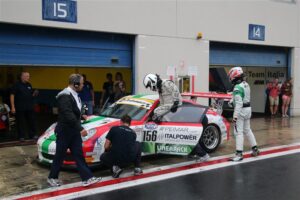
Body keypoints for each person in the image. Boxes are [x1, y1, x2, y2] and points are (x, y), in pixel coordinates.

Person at [47, 74, 101, 187]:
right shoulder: (64, 96)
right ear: (75, 84)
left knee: (78, 154)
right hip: (65, 131)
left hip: (73, 131)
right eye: (81, 83)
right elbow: (68, 114)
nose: (83, 85)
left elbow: (74, 111)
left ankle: (87, 178)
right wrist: (80, 128)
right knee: (60, 155)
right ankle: (52, 177)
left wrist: (82, 116)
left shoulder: (75, 95)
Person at [143, 73, 209, 161]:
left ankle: (204, 155)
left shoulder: (166, 83)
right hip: (176, 113)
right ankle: (194, 153)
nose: (150, 88)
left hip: (185, 114)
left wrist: (175, 103)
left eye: (149, 85)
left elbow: (176, 94)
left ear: (152, 81)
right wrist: (157, 116)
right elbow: (163, 105)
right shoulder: (160, 89)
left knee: (187, 137)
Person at [227, 67, 260, 161]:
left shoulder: (237, 87)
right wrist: (232, 100)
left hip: (241, 111)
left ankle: (239, 154)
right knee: (247, 130)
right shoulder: (246, 84)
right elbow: (242, 98)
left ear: (234, 75)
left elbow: (239, 103)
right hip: (248, 109)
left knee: (238, 132)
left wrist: (235, 117)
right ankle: (255, 149)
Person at [10, 71, 38, 141]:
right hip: (20, 107)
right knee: (21, 123)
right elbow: (12, 95)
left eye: (28, 76)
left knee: (31, 121)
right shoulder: (16, 85)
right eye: (26, 76)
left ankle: (33, 135)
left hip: (29, 107)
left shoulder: (29, 84)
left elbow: (31, 95)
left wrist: (34, 94)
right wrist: (13, 106)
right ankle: (21, 136)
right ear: (22, 77)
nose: (28, 78)